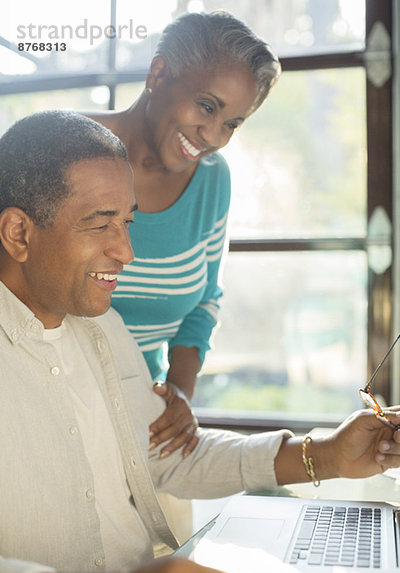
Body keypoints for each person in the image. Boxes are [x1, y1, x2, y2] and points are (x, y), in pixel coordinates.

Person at [1, 110, 400, 573]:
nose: (126, 251)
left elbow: (165, 458)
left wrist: (327, 454)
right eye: (101, 224)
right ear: (19, 233)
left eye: (127, 221)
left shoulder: (105, 327)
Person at [85, 11, 282, 464]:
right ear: (159, 73)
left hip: (146, 425)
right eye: (207, 106)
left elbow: (204, 301)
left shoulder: (212, 180)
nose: (213, 135)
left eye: (232, 123)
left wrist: (178, 394)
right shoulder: (67, 150)